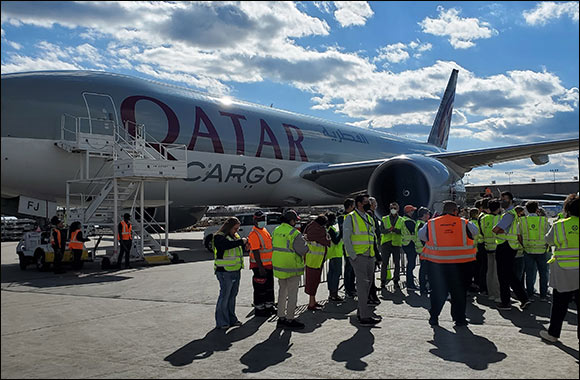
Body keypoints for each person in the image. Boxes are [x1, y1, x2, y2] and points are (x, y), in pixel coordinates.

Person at [418, 201, 478, 327]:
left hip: (438, 264)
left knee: (438, 292)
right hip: (461, 264)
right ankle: (459, 319)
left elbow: (422, 236)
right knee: (459, 293)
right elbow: (475, 232)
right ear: (455, 211)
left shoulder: (432, 223)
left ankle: (434, 317)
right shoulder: (464, 223)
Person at [539, 195, 579, 343]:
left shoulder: (559, 225)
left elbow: (548, 240)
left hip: (564, 271)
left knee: (559, 305)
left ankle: (553, 334)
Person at [343, 194, 381, 326]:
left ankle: (361, 311)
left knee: (368, 284)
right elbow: (346, 238)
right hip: (359, 256)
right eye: (366, 202)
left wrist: (376, 255)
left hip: (369, 255)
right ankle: (364, 316)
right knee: (362, 285)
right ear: (359, 203)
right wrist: (352, 255)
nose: (369, 204)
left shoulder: (368, 217)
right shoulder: (351, 217)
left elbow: (372, 237)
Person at [492, 192, 530, 311]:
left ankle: (506, 302)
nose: (501, 201)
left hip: (505, 247)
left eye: (504, 199)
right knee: (509, 275)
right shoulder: (512, 213)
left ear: (510, 200)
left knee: (503, 276)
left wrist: (500, 231)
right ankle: (523, 298)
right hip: (510, 246)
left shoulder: (508, 214)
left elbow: (496, 229)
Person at [272, 210, 309, 329]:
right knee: (292, 294)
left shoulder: (277, 230)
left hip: (279, 267)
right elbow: (303, 250)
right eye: (295, 220)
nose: (296, 223)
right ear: (291, 221)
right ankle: (290, 319)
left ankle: (281, 317)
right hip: (292, 267)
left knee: (282, 293)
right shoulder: (294, 233)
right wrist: (305, 241)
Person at [213, 216, 247, 330]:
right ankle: (222, 321)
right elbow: (226, 245)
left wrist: (244, 243)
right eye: (235, 228)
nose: (237, 231)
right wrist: (240, 242)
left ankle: (232, 319)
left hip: (235, 270)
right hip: (224, 271)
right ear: (229, 227)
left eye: (238, 229)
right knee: (224, 296)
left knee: (232, 296)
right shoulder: (219, 237)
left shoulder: (235, 236)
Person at [519, 201, 550, 300]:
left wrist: (523, 244)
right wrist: (546, 245)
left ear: (526, 210)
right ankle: (543, 295)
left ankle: (530, 294)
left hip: (528, 249)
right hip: (541, 250)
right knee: (543, 273)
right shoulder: (543, 220)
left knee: (529, 273)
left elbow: (519, 235)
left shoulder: (522, 221)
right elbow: (549, 236)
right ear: (537, 209)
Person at [247, 211, 275, 317]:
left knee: (269, 288)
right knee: (260, 290)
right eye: (259, 219)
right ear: (254, 220)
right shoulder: (254, 234)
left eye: (263, 219)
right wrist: (260, 267)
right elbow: (255, 251)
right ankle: (260, 309)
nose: (262, 221)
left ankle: (269, 307)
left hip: (268, 265)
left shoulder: (264, 230)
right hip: (260, 267)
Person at [304, 214, 331, 310]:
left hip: (312, 259)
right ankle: (311, 304)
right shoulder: (319, 230)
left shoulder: (310, 227)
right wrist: (327, 237)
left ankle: (313, 301)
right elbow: (327, 241)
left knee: (313, 281)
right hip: (315, 260)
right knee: (313, 281)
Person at [481, 199, 502, 302]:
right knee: (496, 273)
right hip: (497, 247)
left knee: (489, 272)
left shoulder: (484, 218)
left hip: (487, 246)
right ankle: (498, 295)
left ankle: (491, 294)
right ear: (498, 208)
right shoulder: (500, 218)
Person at [380, 202, 403, 289]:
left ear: (398, 209)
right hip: (386, 243)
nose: (393, 210)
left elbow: (403, 231)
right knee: (384, 263)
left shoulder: (401, 220)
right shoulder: (384, 218)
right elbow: (381, 230)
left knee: (397, 263)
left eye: (395, 208)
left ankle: (396, 280)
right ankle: (383, 281)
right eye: (391, 208)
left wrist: (396, 230)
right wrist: (388, 230)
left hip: (396, 244)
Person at [339, 198, 357, 298]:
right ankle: (348, 289)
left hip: (354, 245)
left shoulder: (352, 216)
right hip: (346, 246)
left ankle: (352, 287)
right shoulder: (343, 217)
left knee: (353, 268)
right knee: (348, 268)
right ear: (350, 206)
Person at [326, 212, 344, 302]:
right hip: (336, 254)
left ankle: (332, 293)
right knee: (336, 274)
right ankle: (334, 294)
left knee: (332, 274)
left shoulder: (328, 228)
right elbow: (336, 241)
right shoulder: (331, 229)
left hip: (332, 253)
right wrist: (341, 231)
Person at [367, 197, 382, 304]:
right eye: (374, 203)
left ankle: (371, 293)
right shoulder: (369, 215)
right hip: (368, 250)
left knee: (371, 274)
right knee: (369, 276)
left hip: (372, 248)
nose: (376, 205)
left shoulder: (372, 214)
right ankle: (371, 296)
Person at [401, 204, 418, 290]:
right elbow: (415, 232)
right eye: (412, 211)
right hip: (410, 244)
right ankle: (410, 284)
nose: (413, 212)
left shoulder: (403, 219)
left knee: (410, 264)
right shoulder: (409, 221)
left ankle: (410, 283)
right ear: (409, 212)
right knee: (411, 265)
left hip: (406, 243)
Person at [466, 208, 482, 292]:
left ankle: (470, 284)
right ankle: (475, 284)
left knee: (470, 269)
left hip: (469, 248)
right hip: (475, 248)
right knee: (476, 269)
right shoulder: (476, 223)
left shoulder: (468, 222)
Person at [415, 207, 431, 295]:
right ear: (424, 215)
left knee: (423, 269)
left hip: (420, 249)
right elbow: (423, 238)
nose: (429, 215)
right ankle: (423, 287)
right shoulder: (422, 224)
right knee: (424, 270)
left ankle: (423, 287)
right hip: (423, 249)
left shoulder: (419, 223)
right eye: (428, 214)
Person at [475, 199, 490, 295]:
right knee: (485, 267)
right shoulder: (485, 217)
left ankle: (482, 286)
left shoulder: (481, 216)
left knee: (482, 267)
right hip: (484, 244)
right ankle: (484, 287)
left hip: (480, 244)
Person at [513, 205, 527, 288]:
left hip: (513, 248)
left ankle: (519, 287)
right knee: (520, 272)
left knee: (516, 271)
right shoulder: (520, 221)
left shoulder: (513, 221)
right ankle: (518, 288)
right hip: (520, 250)